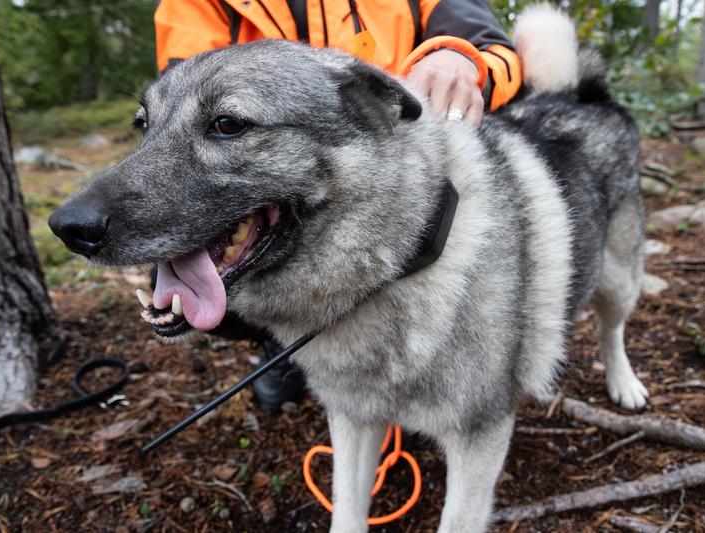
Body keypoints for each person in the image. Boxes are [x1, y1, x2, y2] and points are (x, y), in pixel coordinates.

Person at [152, 0, 523, 409]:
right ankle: (282, 338)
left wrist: (459, 56)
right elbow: (178, 94)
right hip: (256, 175)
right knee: (184, 263)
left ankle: (414, 347)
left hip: (397, 166)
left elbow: (498, 55)